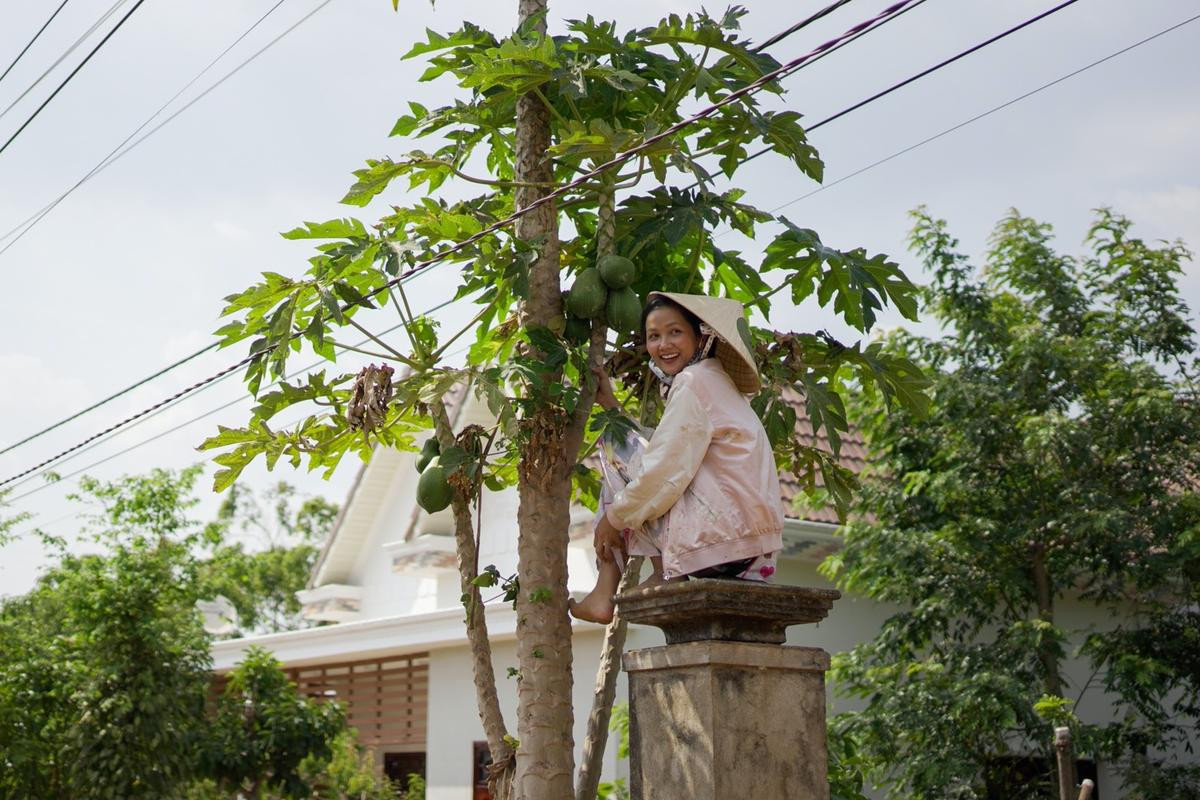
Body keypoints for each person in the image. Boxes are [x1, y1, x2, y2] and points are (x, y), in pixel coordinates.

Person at [568, 292, 784, 624]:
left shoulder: (694, 382)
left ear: (701, 336)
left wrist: (613, 520)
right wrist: (611, 404)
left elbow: (662, 471)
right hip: (750, 550)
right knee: (633, 451)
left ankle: (624, 581)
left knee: (615, 440)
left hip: (722, 542)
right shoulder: (715, 382)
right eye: (654, 336)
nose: (663, 344)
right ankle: (630, 580)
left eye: (675, 332)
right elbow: (665, 450)